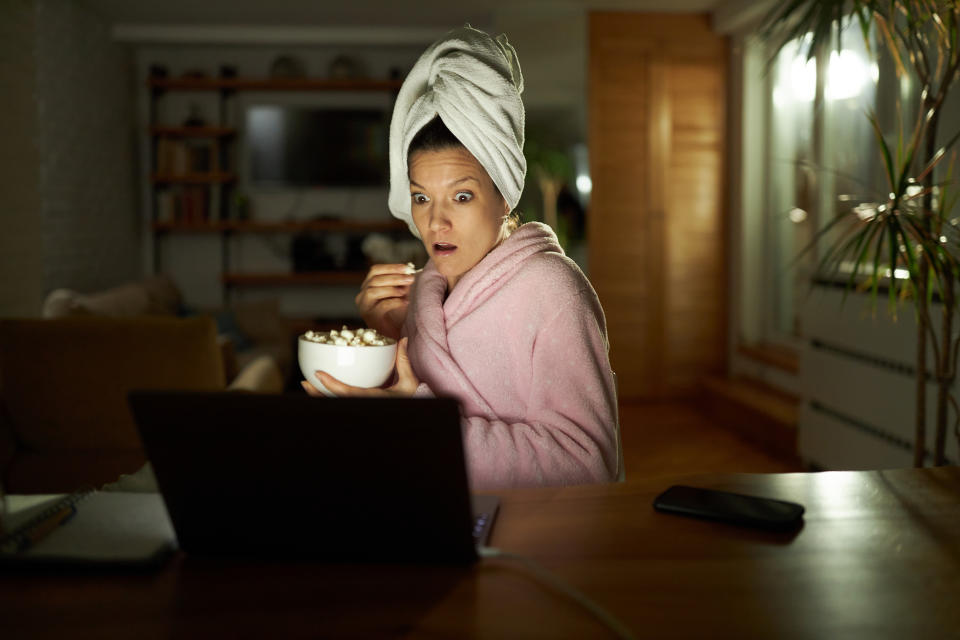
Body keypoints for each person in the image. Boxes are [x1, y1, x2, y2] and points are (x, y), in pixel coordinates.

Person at [302, 25, 619, 490]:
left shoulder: (553, 290)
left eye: (463, 197)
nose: (435, 224)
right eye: (421, 198)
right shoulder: (427, 289)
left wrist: (423, 423)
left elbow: (587, 463)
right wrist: (387, 335)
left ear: (504, 197)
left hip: (525, 538)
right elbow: (410, 402)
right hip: (435, 514)